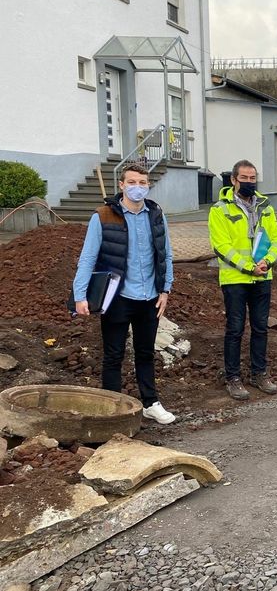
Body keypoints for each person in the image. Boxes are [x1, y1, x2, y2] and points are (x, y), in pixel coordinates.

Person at [72, 163, 175, 424]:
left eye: (142, 182)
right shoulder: (103, 216)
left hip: (149, 297)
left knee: (145, 352)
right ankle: (111, 409)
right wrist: (79, 295)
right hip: (117, 297)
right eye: (132, 182)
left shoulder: (156, 214)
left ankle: (151, 402)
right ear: (121, 185)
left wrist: (165, 289)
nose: (137, 187)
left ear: (148, 185)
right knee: (113, 354)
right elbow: (87, 258)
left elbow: (166, 254)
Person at [208, 159, 277, 401]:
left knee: (260, 327)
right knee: (235, 328)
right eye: (245, 178)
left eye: (253, 178)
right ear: (233, 180)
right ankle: (233, 377)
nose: (249, 182)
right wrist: (249, 267)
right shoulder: (220, 210)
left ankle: (259, 373)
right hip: (235, 279)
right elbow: (222, 246)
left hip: (263, 276)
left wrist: (267, 262)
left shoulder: (265, 207)